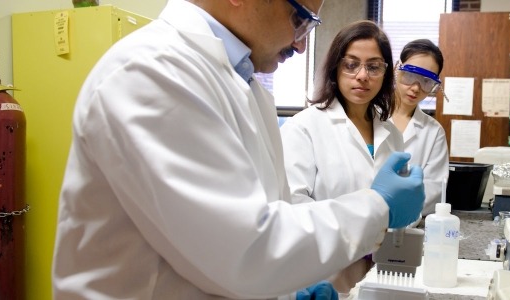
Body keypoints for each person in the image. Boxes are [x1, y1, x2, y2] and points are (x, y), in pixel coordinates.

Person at [50, 0, 425, 299]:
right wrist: (378, 206)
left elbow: (266, 215)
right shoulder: (151, 72)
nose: (300, 43)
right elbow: (245, 250)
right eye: (299, 18)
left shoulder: (244, 86)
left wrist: (289, 288)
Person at [278, 20, 406, 294]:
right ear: (335, 68)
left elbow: (401, 206)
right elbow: (293, 209)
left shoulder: (391, 134)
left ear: (385, 73)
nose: (362, 75)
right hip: (323, 273)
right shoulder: (304, 128)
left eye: (374, 66)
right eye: (351, 64)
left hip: (383, 273)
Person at [391, 39, 450, 216]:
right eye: (409, 76)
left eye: (426, 81)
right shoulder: (368, 115)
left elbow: (434, 188)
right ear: (396, 70)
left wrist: (394, 211)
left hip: (405, 221)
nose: (415, 88)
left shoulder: (434, 132)